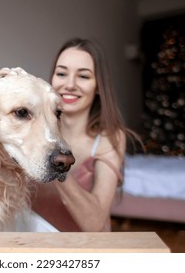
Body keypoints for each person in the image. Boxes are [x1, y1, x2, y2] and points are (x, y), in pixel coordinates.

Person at [31, 38, 141, 232]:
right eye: (62, 73)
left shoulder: (110, 138)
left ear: (98, 86)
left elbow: (95, 223)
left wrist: (55, 159)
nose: (70, 84)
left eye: (83, 76)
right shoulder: (32, 129)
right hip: (34, 245)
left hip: (84, 251)